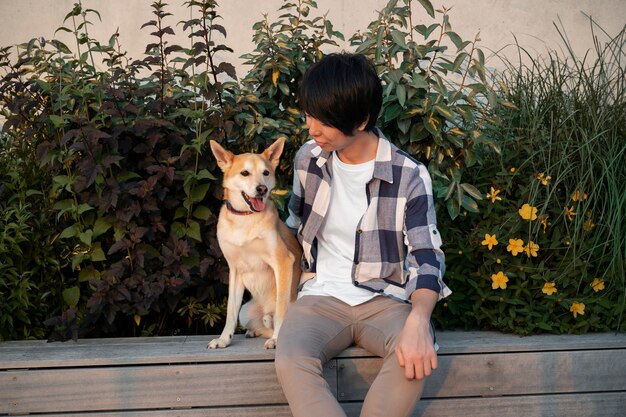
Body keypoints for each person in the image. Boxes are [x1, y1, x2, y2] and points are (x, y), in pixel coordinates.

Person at [275, 52, 451, 417]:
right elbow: (292, 226)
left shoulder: (408, 174)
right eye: (309, 114)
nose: (312, 128)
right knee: (291, 359)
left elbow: (426, 257)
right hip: (320, 296)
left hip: (386, 300)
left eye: (324, 120)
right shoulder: (308, 159)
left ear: (362, 119)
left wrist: (420, 322)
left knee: (414, 356)